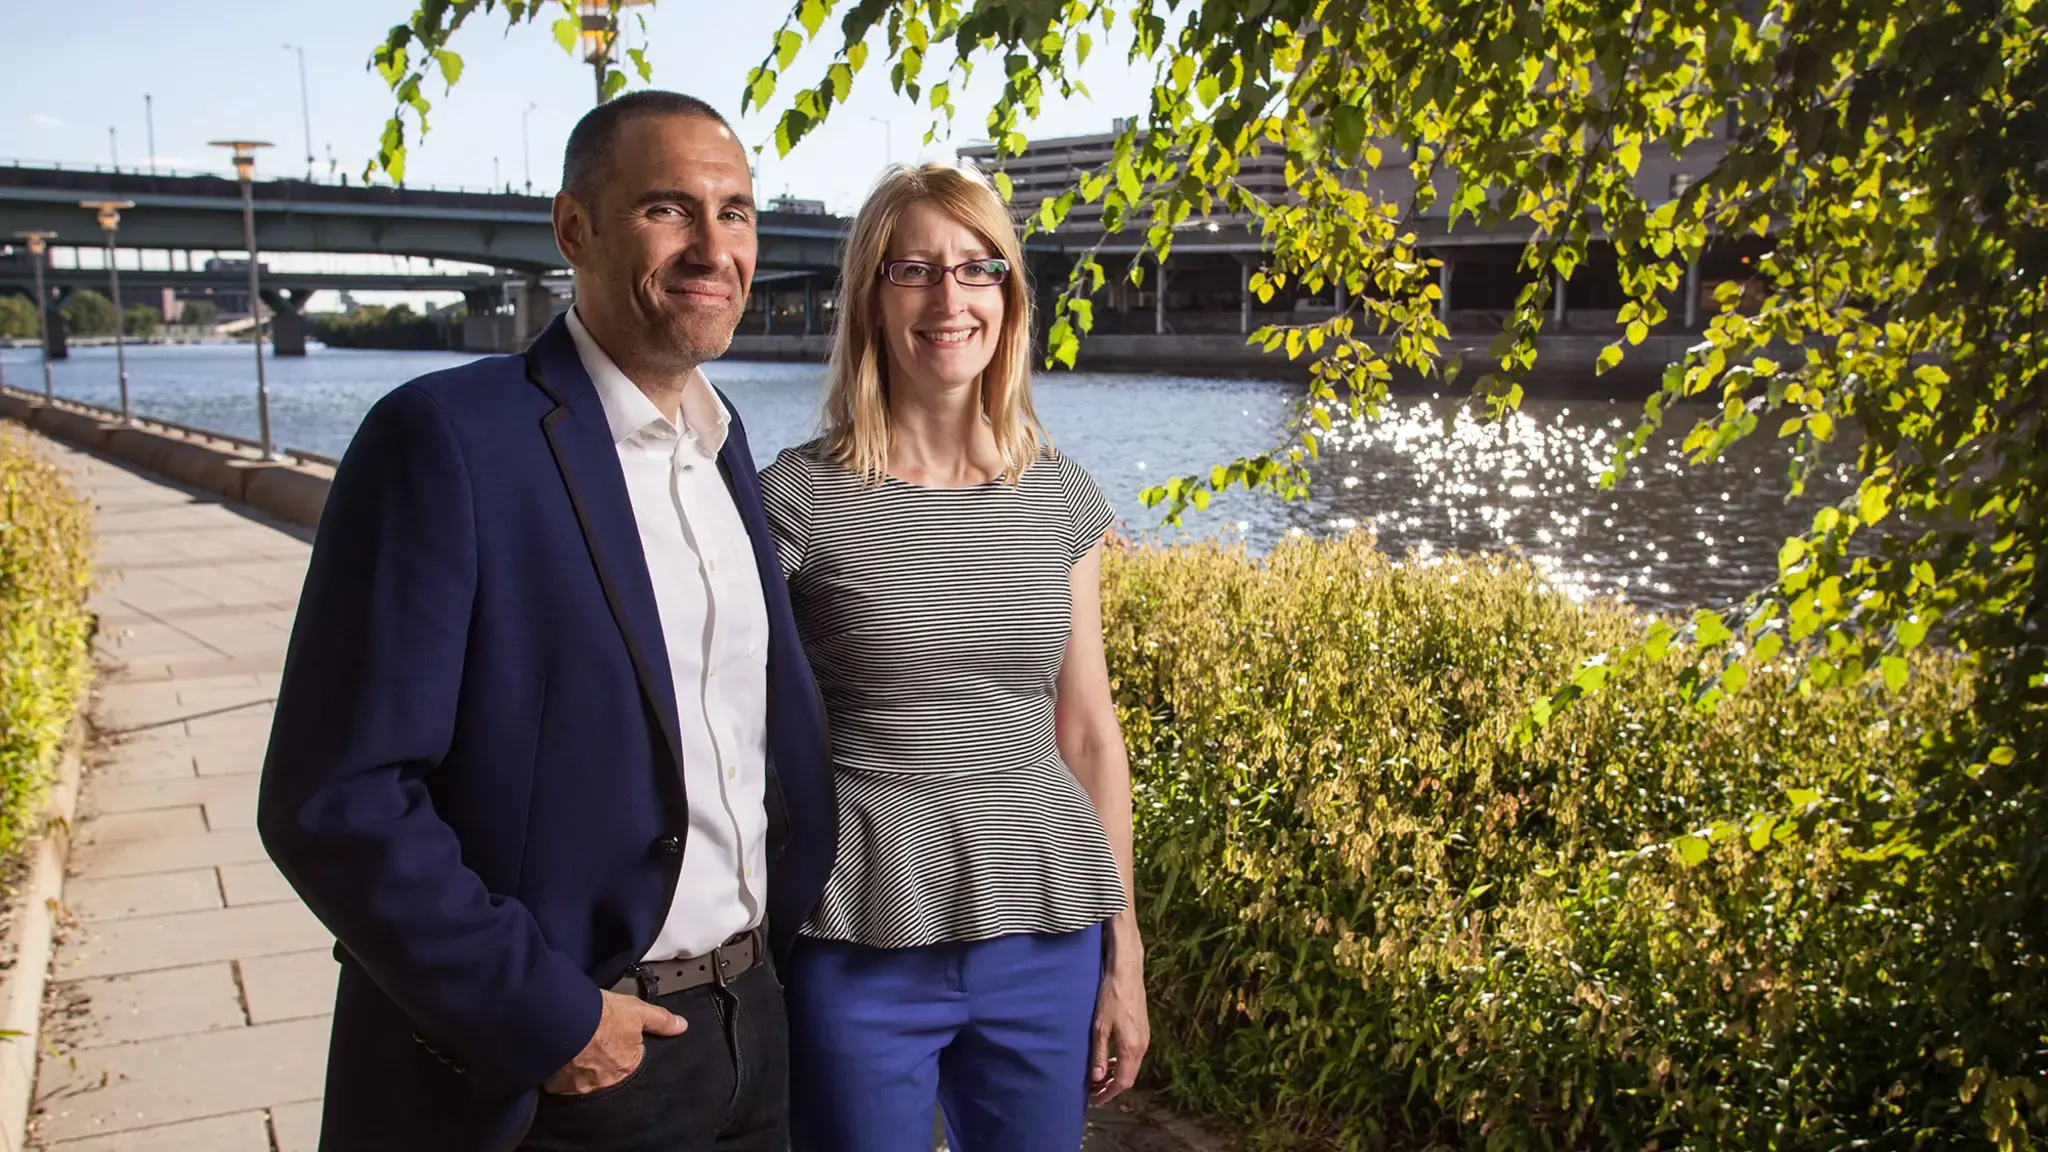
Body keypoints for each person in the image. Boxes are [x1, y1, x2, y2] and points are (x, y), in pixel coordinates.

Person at [257, 91, 834, 1152]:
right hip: (559, 1067)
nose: (715, 247)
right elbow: (334, 799)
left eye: (738, 212)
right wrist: (547, 1018)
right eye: (671, 208)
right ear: (574, 229)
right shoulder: (446, 440)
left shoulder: (723, 446)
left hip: (749, 1029)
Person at [757, 163, 1150, 1151]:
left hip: (1046, 940)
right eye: (914, 271)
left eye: (977, 269)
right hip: (856, 939)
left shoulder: (1058, 497)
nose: (950, 299)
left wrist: (1124, 954)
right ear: (869, 295)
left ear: (1007, 296)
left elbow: (1088, 734)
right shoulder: (791, 502)